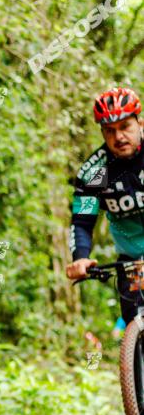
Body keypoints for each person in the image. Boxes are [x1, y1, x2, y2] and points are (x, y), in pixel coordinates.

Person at [66, 86, 144, 324]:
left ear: (139, 124)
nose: (118, 137)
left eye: (124, 127)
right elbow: (82, 220)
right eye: (109, 131)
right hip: (131, 260)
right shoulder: (97, 172)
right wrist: (81, 257)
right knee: (133, 322)